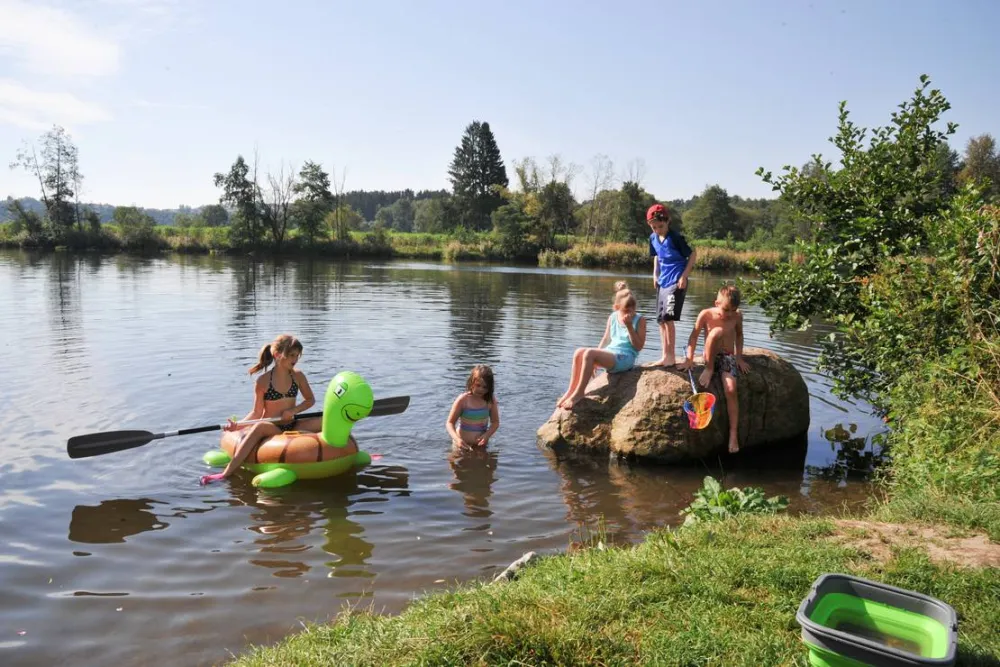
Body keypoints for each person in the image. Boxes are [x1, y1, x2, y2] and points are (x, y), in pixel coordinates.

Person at [200, 334, 323, 484]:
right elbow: (257, 413)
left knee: (323, 420)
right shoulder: (263, 381)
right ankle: (226, 473)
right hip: (273, 427)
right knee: (260, 426)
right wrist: (237, 426)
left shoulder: (298, 376)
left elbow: (310, 400)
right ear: (277, 355)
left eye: (297, 355)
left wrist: (293, 411)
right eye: (291, 355)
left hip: (293, 424)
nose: (295, 359)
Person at [678, 285, 751, 453]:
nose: (729, 314)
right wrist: (689, 359)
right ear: (716, 303)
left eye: (733, 310)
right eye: (726, 310)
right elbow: (694, 336)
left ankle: (733, 434)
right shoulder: (706, 314)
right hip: (710, 356)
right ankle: (709, 369)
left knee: (731, 388)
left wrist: (739, 357)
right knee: (716, 331)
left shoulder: (737, 316)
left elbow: (739, 335)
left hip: (727, 357)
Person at [557, 281, 647, 410]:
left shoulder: (640, 320)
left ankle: (580, 393)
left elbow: (638, 347)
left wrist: (629, 327)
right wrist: (593, 359)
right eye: (626, 310)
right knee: (579, 352)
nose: (630, 312)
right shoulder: (613, 317)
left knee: (589, 353)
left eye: (633, 308)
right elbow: (606, 339)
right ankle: (571, 391)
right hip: (611, 353)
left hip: (625, 357)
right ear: (617, 307)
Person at [647, 203, 697, 367]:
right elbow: (656, 255)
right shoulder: (653, 238)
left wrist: (684, 276)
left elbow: (692, 254)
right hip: (662, 282)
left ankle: (671, 357)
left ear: (668, 221)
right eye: (654, 227)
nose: (657, 230)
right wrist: (655, 274)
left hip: (676, 281)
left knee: (668, 319)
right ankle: (664, 355)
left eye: (660, 226)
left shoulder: (675, 238)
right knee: (661, 320)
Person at [446, 364, 501, 447]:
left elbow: (495, 422)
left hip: (481, 445)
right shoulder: (463, 400)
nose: (481, 389)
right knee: (455, 455)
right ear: (471, 382)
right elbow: (450, 423)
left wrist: (487, 435)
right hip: (461, 444)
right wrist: (457, 439)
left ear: (490, 388)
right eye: (478, 385)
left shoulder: (490, 400)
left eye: (485, 387)